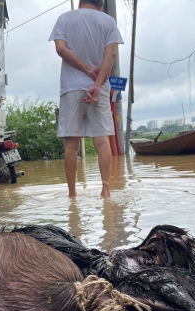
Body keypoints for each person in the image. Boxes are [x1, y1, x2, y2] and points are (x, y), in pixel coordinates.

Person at [49, 0, 124, 198]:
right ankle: (106, 190)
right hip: (99, 87)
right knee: (102, 140)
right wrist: (98, 84)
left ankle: (72, 194)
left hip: (71, 87)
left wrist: (86, 70)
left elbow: (60, 49)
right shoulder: (108, 21)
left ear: (81, 1)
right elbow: (112, 53)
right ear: (100, 5)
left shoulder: (64, 19)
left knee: (71, 144)